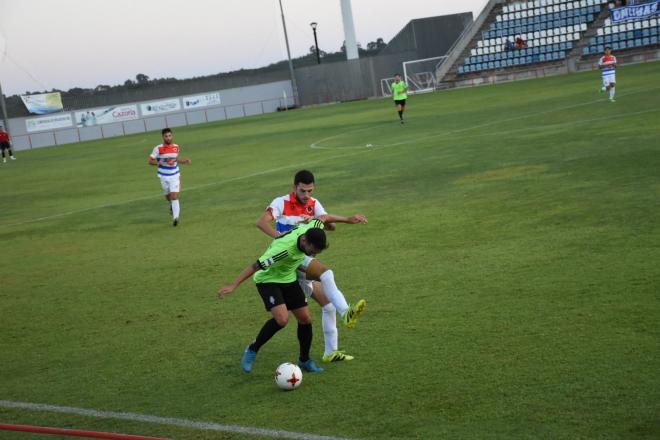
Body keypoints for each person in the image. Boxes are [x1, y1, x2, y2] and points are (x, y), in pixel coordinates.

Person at [218, 220, 362, 373]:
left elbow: (322, 218)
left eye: (316, 253)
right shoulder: (283, 250)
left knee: (305, 319)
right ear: (304, 240)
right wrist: (233, 285)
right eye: (312, 250)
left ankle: (304, 360)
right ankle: (253, 349)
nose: (312, 255)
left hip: (288, 278)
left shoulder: (311, 229)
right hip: (268, 280)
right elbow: (256, 266)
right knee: (282, 320)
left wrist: (343, 220)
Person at [256, 170, 367, 362]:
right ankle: (347, 313)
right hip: (289, 257)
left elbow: (327, 223)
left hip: (301, 259)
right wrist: (281, 238)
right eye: (302, 191)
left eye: (310, 191)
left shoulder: (313, 204)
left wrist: (338, 221)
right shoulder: (281, 203)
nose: (306, 196)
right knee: (326, 274)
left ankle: (330, 352)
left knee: (328, 304)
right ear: (294, 188)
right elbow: (262, 222)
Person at [148, 128, 191, 226]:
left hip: (174, 174)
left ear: (172, 136)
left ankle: (175, 218)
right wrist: (163, 162)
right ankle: (171, 205)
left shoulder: (176, 147)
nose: (168, 138)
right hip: (163, 176)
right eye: (166, 136)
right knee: (168, 197)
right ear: (163, 137)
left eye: (170, 136)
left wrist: (183, 161)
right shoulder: (158, 149)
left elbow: (175, 159)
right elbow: (150, 161)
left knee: (174, 196)